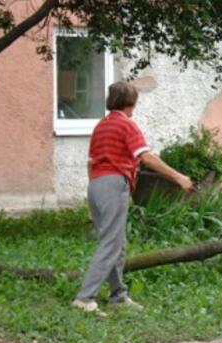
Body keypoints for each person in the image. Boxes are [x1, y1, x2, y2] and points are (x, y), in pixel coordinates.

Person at [72, 81, 194, 315]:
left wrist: (94, 197)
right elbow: (146, 158)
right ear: (132, 102)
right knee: (111, 243)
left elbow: (90, 162)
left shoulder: (101, 125)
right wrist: (179, 178)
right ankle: (85, 298)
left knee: (117, 242)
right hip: (113, 183)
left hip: (96, 185)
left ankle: (118, 295)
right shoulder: (127, 125)